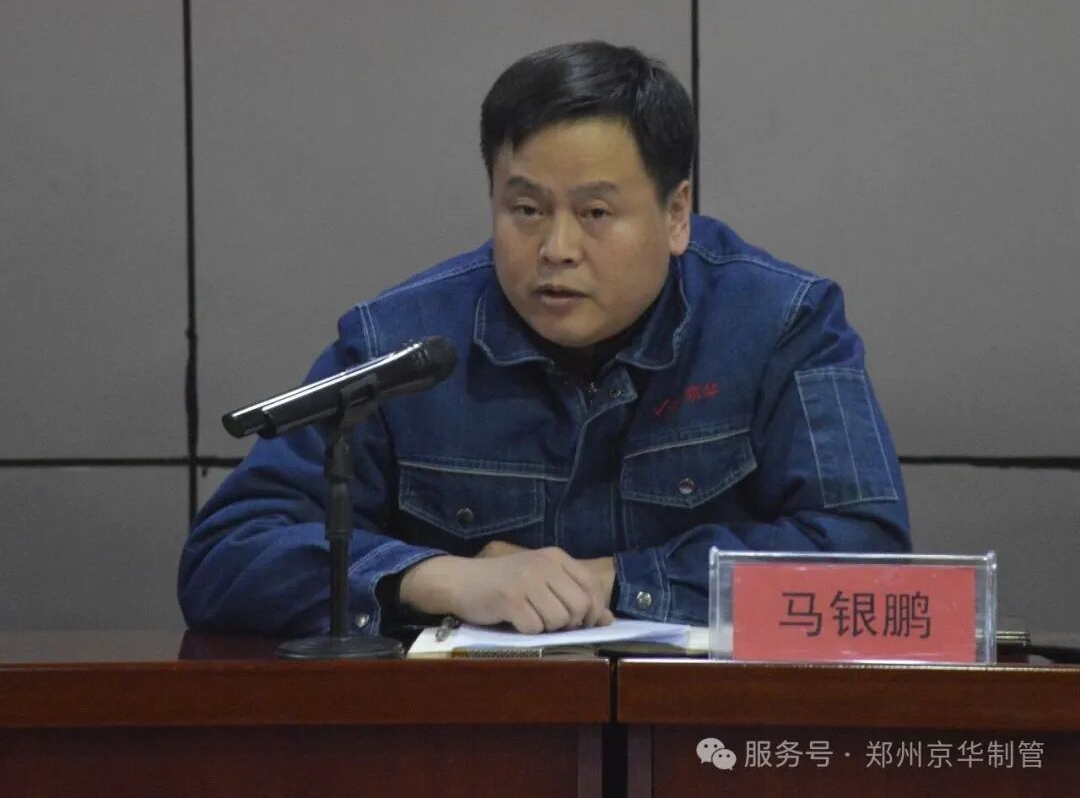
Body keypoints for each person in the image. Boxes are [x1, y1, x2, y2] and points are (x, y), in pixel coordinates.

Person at [178, 41, 910, 638]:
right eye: (526, 209)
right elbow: (227, 554)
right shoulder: (400, 343)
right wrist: (443, 579)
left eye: (595, 213)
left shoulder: (781, 324)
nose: (556, 249)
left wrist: (617, 581)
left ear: (676, 213)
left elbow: (869, 558)